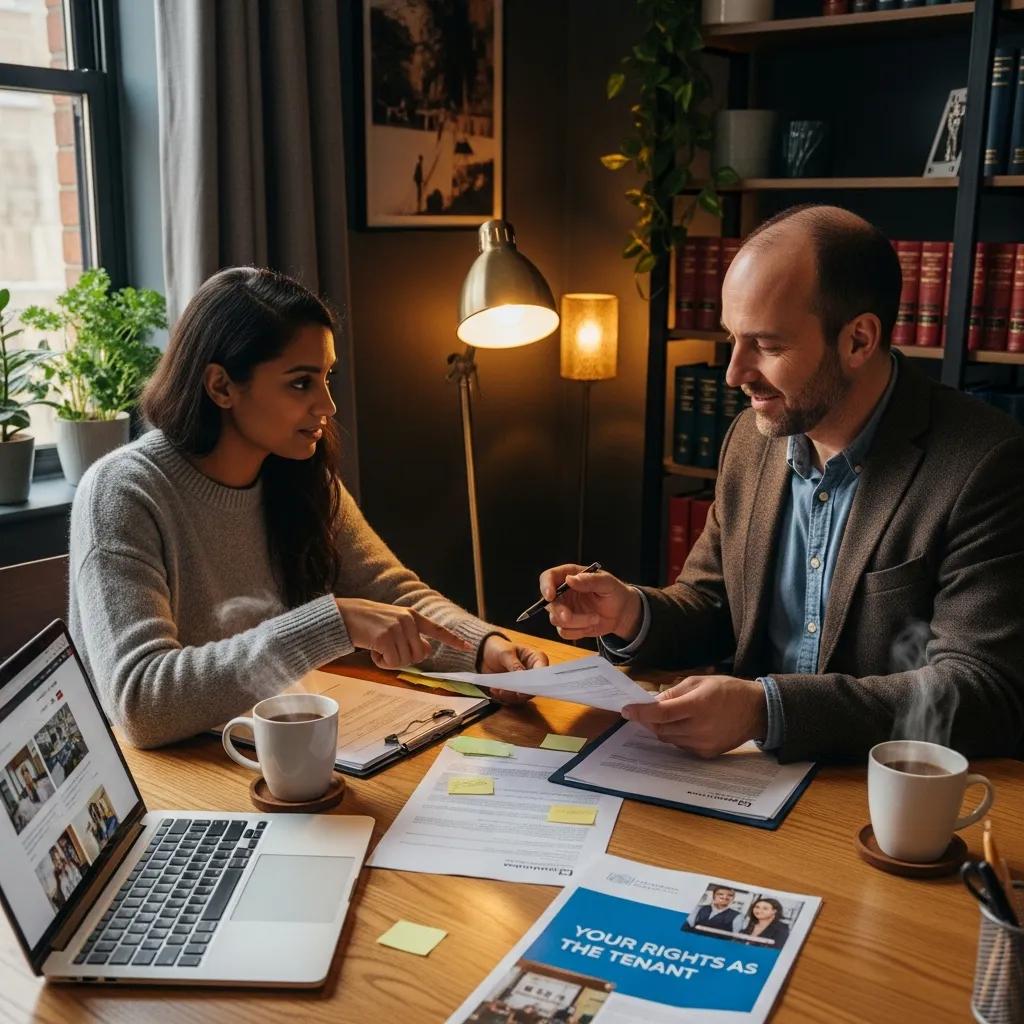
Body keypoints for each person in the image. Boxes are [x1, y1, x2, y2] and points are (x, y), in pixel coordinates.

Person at [539, 204, 1024, 764]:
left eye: (766, 346)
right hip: (744, 778)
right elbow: (715, 602)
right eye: (731, 339)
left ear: (859, 341)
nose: (733, 374)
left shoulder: (984, 463)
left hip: (880, 796)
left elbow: (981, 691)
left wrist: (765, 710)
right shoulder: (753, 437)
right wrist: (631, 613)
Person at [69, 267, 545, 749]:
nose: (328, 405)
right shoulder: (123, 491)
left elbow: (391, 595)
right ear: (221, 387)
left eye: (327, 377)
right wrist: (328, 624)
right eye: (301, 383)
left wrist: (484, 649)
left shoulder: (299, 475)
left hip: (270, 751)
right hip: (169, 780)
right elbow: (140, 703)